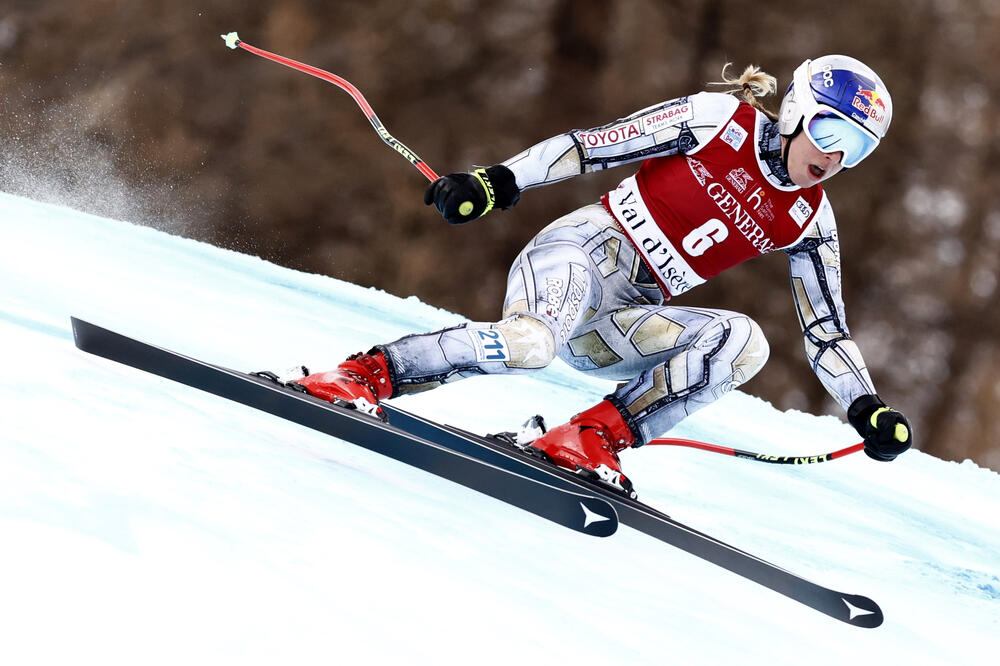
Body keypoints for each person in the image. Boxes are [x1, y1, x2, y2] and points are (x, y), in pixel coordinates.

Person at [281, 55, 912, 497]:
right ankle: (365, 374)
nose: (833, 157)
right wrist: (497, 182)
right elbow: (592, 145)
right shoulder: (718, 118)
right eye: (830, 131)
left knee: (743, 341)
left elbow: (826, 331)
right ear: (799, 111)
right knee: (530, 346)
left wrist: (867, 407)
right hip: (581, 254)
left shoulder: (810, 219)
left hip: (620, 321)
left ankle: (589, 438)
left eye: (856, 149)